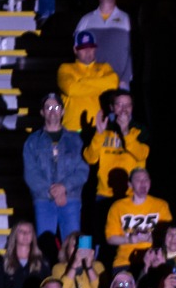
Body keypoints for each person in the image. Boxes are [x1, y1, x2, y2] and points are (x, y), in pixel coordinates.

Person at [24, 93, 91, 238]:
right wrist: (52, 192)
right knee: (45, 243)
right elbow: (31, 172)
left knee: (72, 243)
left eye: (56, 107)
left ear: (62, 111)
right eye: (48, 107)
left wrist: (64, 187)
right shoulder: (32, 141)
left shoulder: (76, 140)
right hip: (43, 200)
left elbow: (82, 170)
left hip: (71, 198)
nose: (52, 110)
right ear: (42, 112)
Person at [87, 93, 152, 202]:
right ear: (112, 107)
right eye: (119, 105)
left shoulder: (139, 130)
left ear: (132, 108)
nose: (124, 109)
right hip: (105, 194)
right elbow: (90, 158)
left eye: (128, 105)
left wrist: (126, 133)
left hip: (131, 194)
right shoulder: (103, 128)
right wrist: (98, 134)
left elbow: (141, 155)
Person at [103, 166, 171, 266]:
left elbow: (169, 235)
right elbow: (110, 238)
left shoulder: (161, 205)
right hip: (125, 261)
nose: (143, 183)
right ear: (130, 185)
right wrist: (130, 239)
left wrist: (150, 238)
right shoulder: (118, 206)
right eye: (138, 180)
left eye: (146, 179)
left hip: (154, 260)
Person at [75, 0, 134, 87]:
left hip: (119, 83)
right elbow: (77, 53)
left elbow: (133, 52)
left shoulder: (127, 19)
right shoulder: (85, 20)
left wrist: (125, 80)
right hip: (92, 82)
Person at [57, 30, 119, 131]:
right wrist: (100, 85)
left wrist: (82, 81)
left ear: (95, 48)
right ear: (75, 50)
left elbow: (113, 84)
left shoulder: (104, 67)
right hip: (72, 128)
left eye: (91, 47)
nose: (88, 51)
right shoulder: (65, 68)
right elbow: (71, 89)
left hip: (99, 127)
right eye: (83, 48)